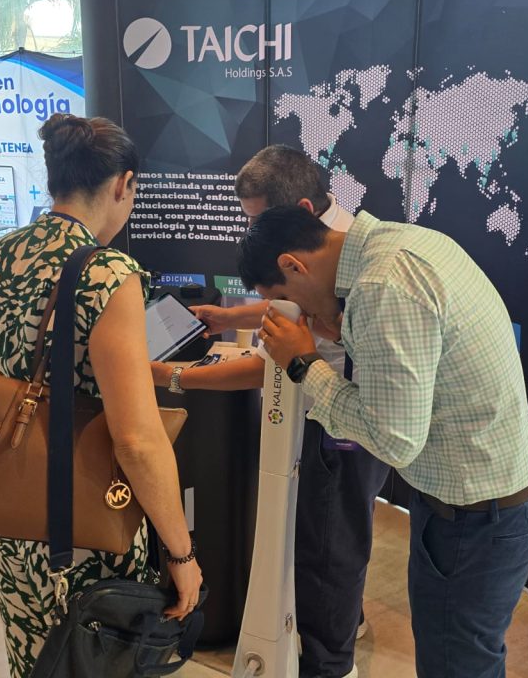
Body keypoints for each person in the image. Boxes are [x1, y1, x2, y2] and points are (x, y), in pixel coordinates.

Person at [238, 205, 528, 678]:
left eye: (283, 299)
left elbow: (395, 440)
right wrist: (342, 331)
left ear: (293, 265)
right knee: (464, 658)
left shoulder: (383, 286)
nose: (296, 314)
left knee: (456, 666)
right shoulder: (402, 245)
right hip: (482, 501)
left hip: (474, 520)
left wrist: (303, 364)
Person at [0, 114, 202, 678]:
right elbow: (136, 440)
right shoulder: (108, 273)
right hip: (90, 518)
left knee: (37, 660)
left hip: (10, 512)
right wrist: (182, 552)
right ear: (123, 184)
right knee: (100, 658)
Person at [151, 145, 389, 678]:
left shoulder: (355, 275)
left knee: (327, 550)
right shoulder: (340, 242)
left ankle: (328, 661)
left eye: (259, 222)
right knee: (337, 541)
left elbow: (269, 364)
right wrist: (232, 316)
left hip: (339, 428)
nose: (252, 235)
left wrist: (171, 376)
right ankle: (340, 625)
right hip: (345, 423)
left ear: (299, 214)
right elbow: (294, 304)